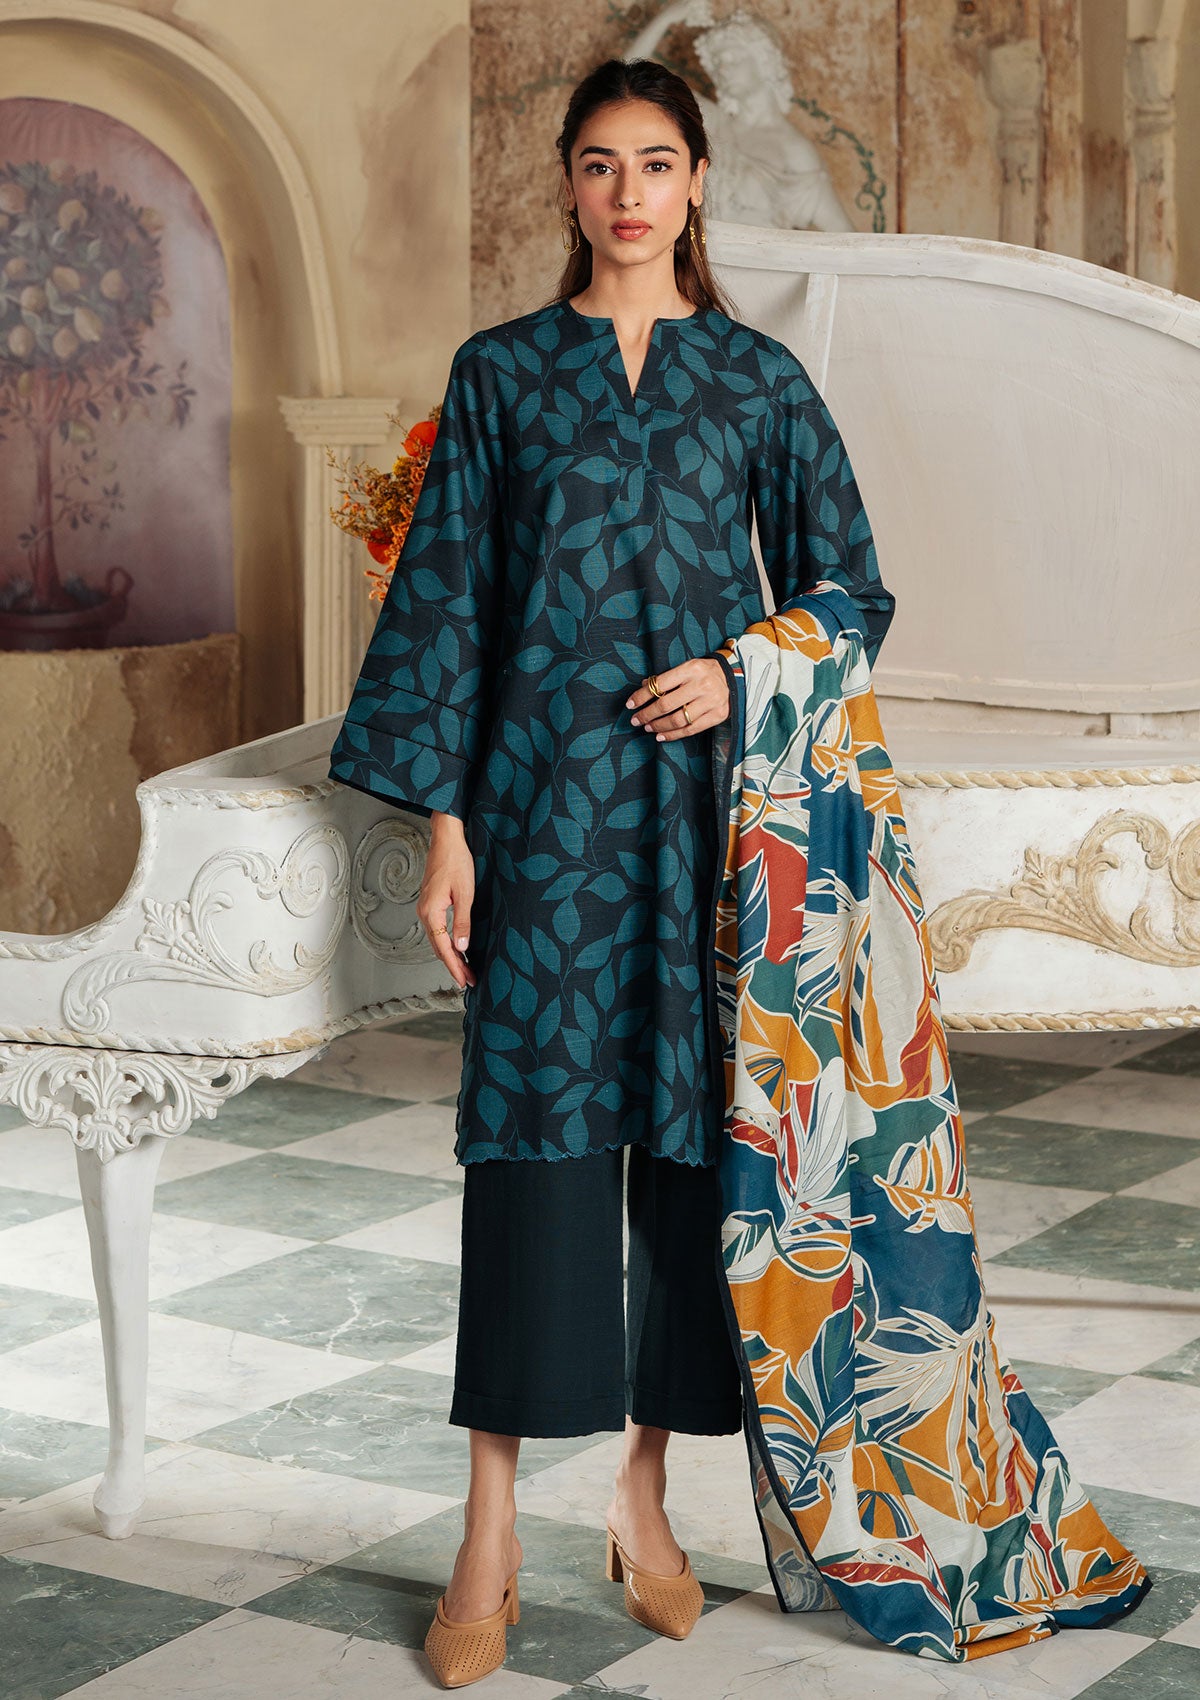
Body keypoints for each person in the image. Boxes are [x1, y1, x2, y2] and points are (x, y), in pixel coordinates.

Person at [327, 56, 894, 1689]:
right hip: (544, 810)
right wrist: (448, 826)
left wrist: (740, 669)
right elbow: (447, 598)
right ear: (568, 187)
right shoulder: (503, 375)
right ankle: (488, 1524)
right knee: (532, 1144)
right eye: (599, 163)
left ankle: (645, 1493)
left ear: (697, 181)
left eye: (655, 162)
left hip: (715, 820)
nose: (628, 192)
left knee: (694, 1150)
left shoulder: (758, 382)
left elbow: (851, 592)